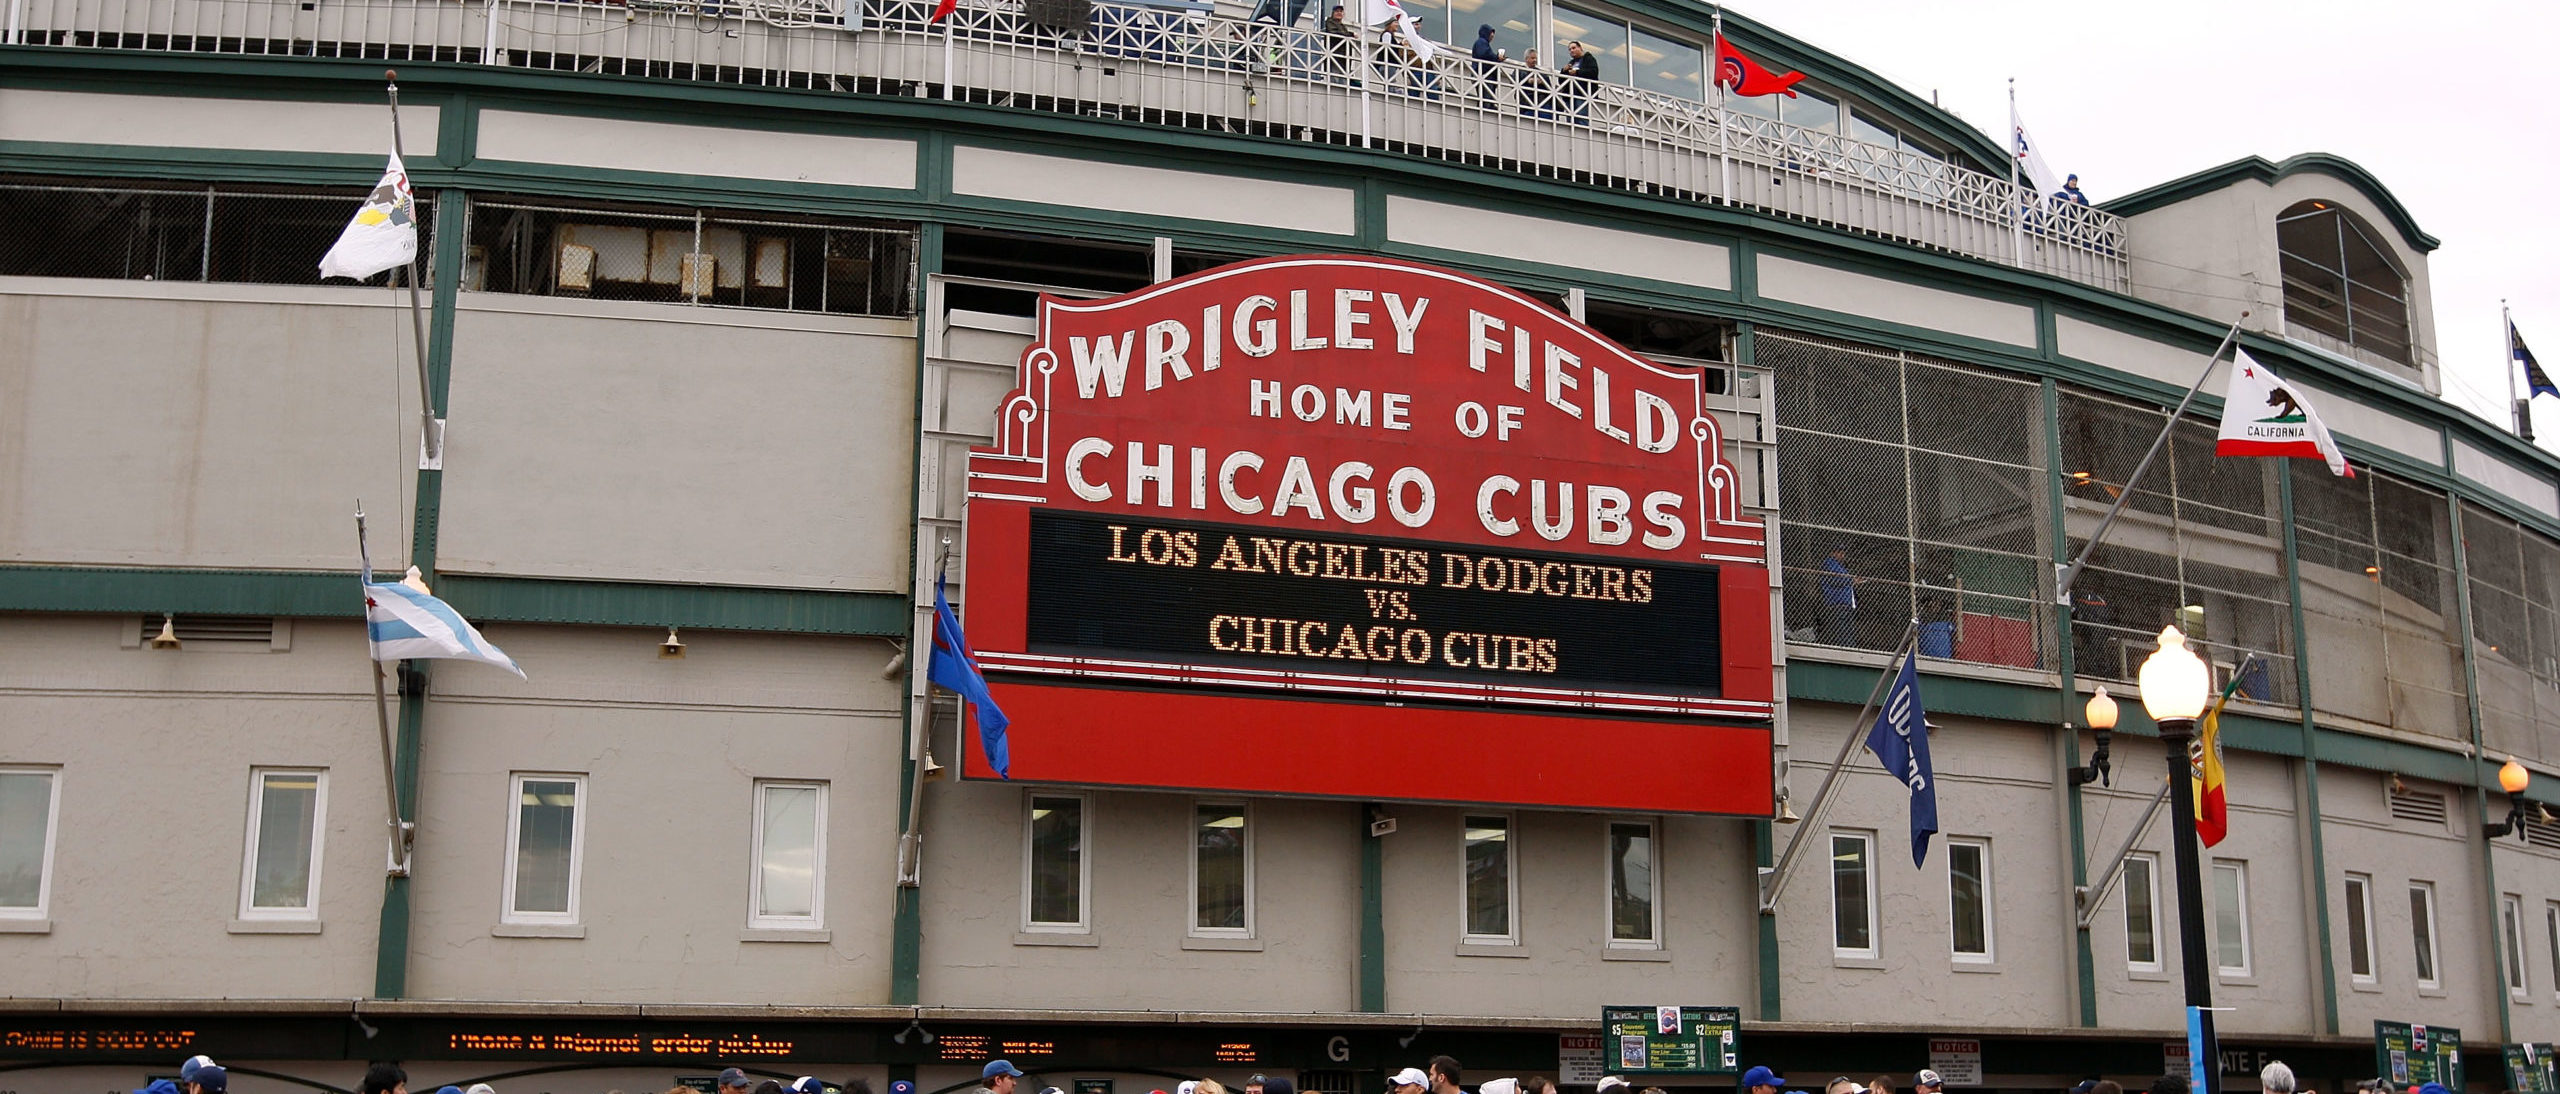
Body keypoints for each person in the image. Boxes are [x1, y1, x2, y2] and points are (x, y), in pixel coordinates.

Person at [1819, 545, 1861, 646]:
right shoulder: (1829, 564)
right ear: (1833, 553)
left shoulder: (1840, 567)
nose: (1842, 555)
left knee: (1848, 629)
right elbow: (1836, 579)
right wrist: (1851, 580)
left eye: (1843, 553)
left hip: (1845, 604)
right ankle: (1845, 647)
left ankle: (1850, 647)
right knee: (1841, 630)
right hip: (1837, 603)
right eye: (1839, 552)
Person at [1560, 41, 1598, 124]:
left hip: (1582, 93)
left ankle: (1583, 135)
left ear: (1580, 48)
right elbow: (1561, 81)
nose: (1571, 51)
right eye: (1569, 49)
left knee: (1581, 117)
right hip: (1570, 95)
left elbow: (1593, 72)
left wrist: (1577, 73)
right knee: (1570, 119)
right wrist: (1563, 71)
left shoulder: (1589, 59)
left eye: (1573, 48)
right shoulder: (1571, 63)